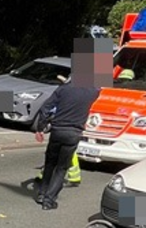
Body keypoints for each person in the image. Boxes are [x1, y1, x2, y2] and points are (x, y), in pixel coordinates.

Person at [33, 79, 100, 210]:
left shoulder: (63, 89)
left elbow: (46, 107)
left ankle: (41, 194)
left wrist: (41, 127)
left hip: (57, 131)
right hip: (74, 133)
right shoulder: (92, 92)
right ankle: (49, 200)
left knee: (50, 164)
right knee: (61, 168)